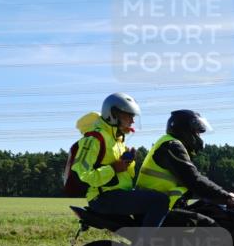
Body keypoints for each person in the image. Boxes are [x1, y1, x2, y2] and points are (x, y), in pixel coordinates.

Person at [71, 93, 170, 234]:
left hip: (118, 194)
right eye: (129, 115)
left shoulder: (117, 140)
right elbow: (85, 175)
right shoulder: (94, 139)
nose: (132, 121)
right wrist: (113, 168)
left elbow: (124, 174)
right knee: (160, 201)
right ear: (114, 114)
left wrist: (128, 162)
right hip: (103, 198)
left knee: (156, 199)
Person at [135, 109, 234, 212]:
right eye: (197, 132)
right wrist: (226, 196)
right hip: (155, 210)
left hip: (157, 206)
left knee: (214, 212)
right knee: (209, 224)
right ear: (185, 130)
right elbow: (193, 180)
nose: (199, 137)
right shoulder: (172, 146)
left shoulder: (169, 143)